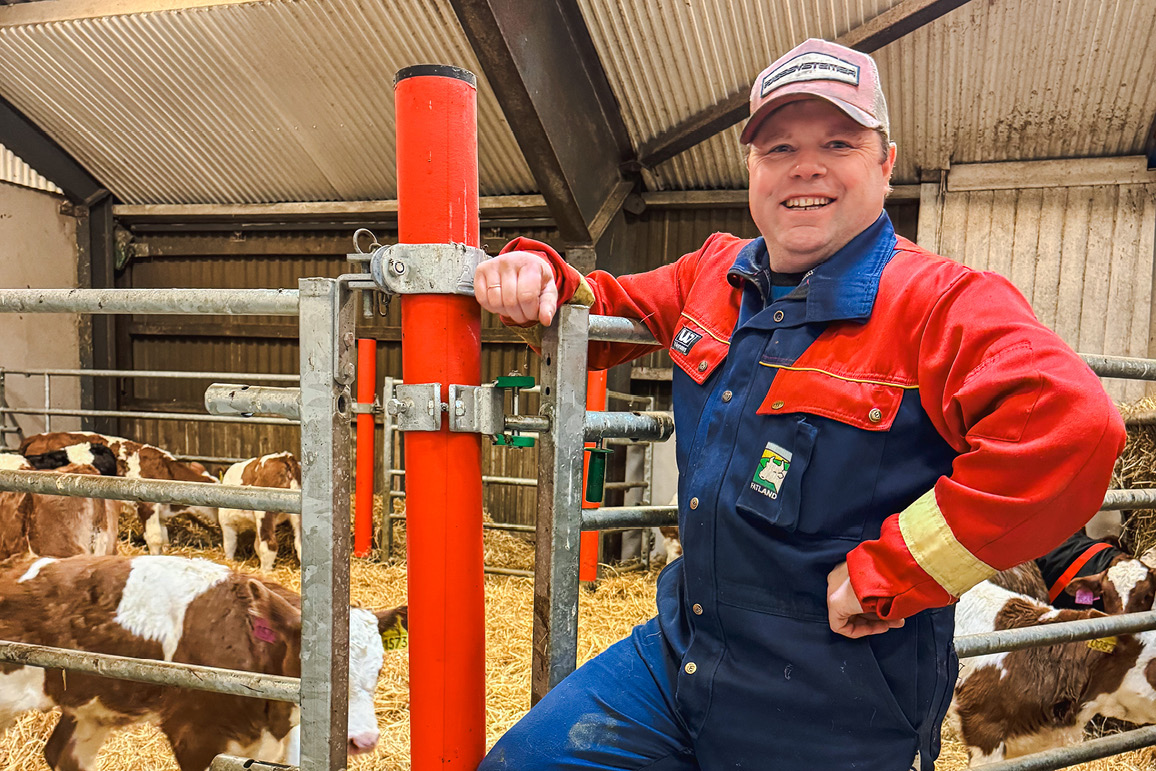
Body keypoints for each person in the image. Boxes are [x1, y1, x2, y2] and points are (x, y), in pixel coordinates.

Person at [473, 38, 1126, 770]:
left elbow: (1076, 430)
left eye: (838, 143)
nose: (805, 166)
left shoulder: (941, 303)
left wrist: (895, 571)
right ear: (752, 168)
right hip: (685, 649)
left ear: (885, 163)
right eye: (779, 146)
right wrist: (542, 277)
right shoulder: (713, 271)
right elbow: (604, 312)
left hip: (836, 692)